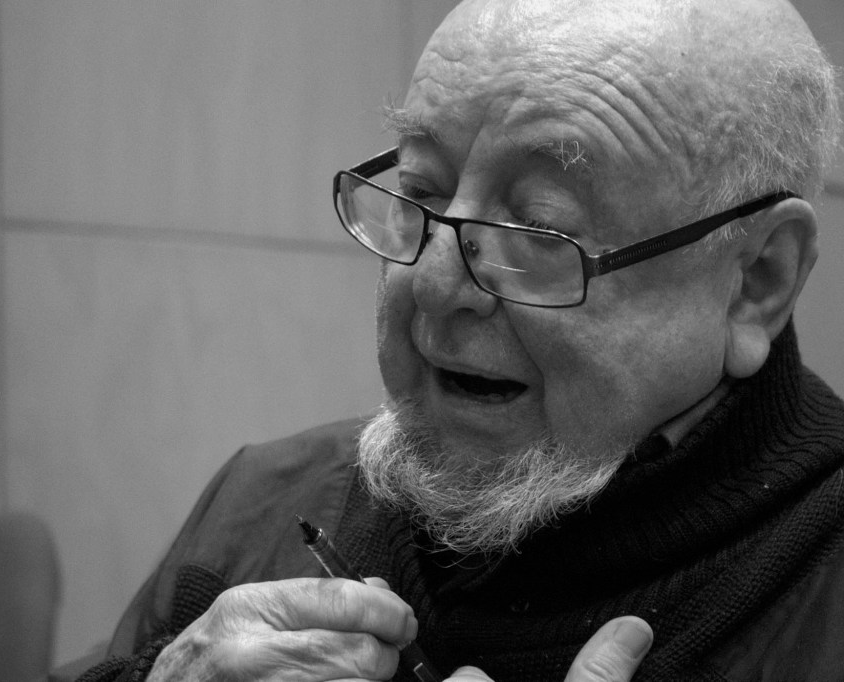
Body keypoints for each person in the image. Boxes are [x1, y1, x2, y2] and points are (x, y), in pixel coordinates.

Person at [73, 0, 844, 679]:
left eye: (538, 225)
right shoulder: (260, 506)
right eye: (419, 190)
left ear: (756, 280)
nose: (433, 284)